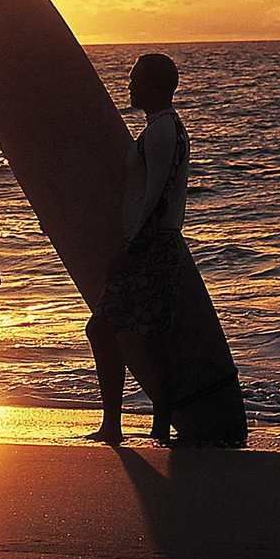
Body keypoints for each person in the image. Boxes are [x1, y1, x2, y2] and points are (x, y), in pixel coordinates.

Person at [86, 52, 190, 445]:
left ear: (155, 86)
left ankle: (114, 424)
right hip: (159, 243)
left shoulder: (163, 131)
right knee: (150, 335)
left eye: (135, 79)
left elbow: (159, 193)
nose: (129, 86)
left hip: (150, 243)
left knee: (103, 328)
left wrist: (132, 246)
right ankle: (158, 425)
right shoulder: (165, 128)